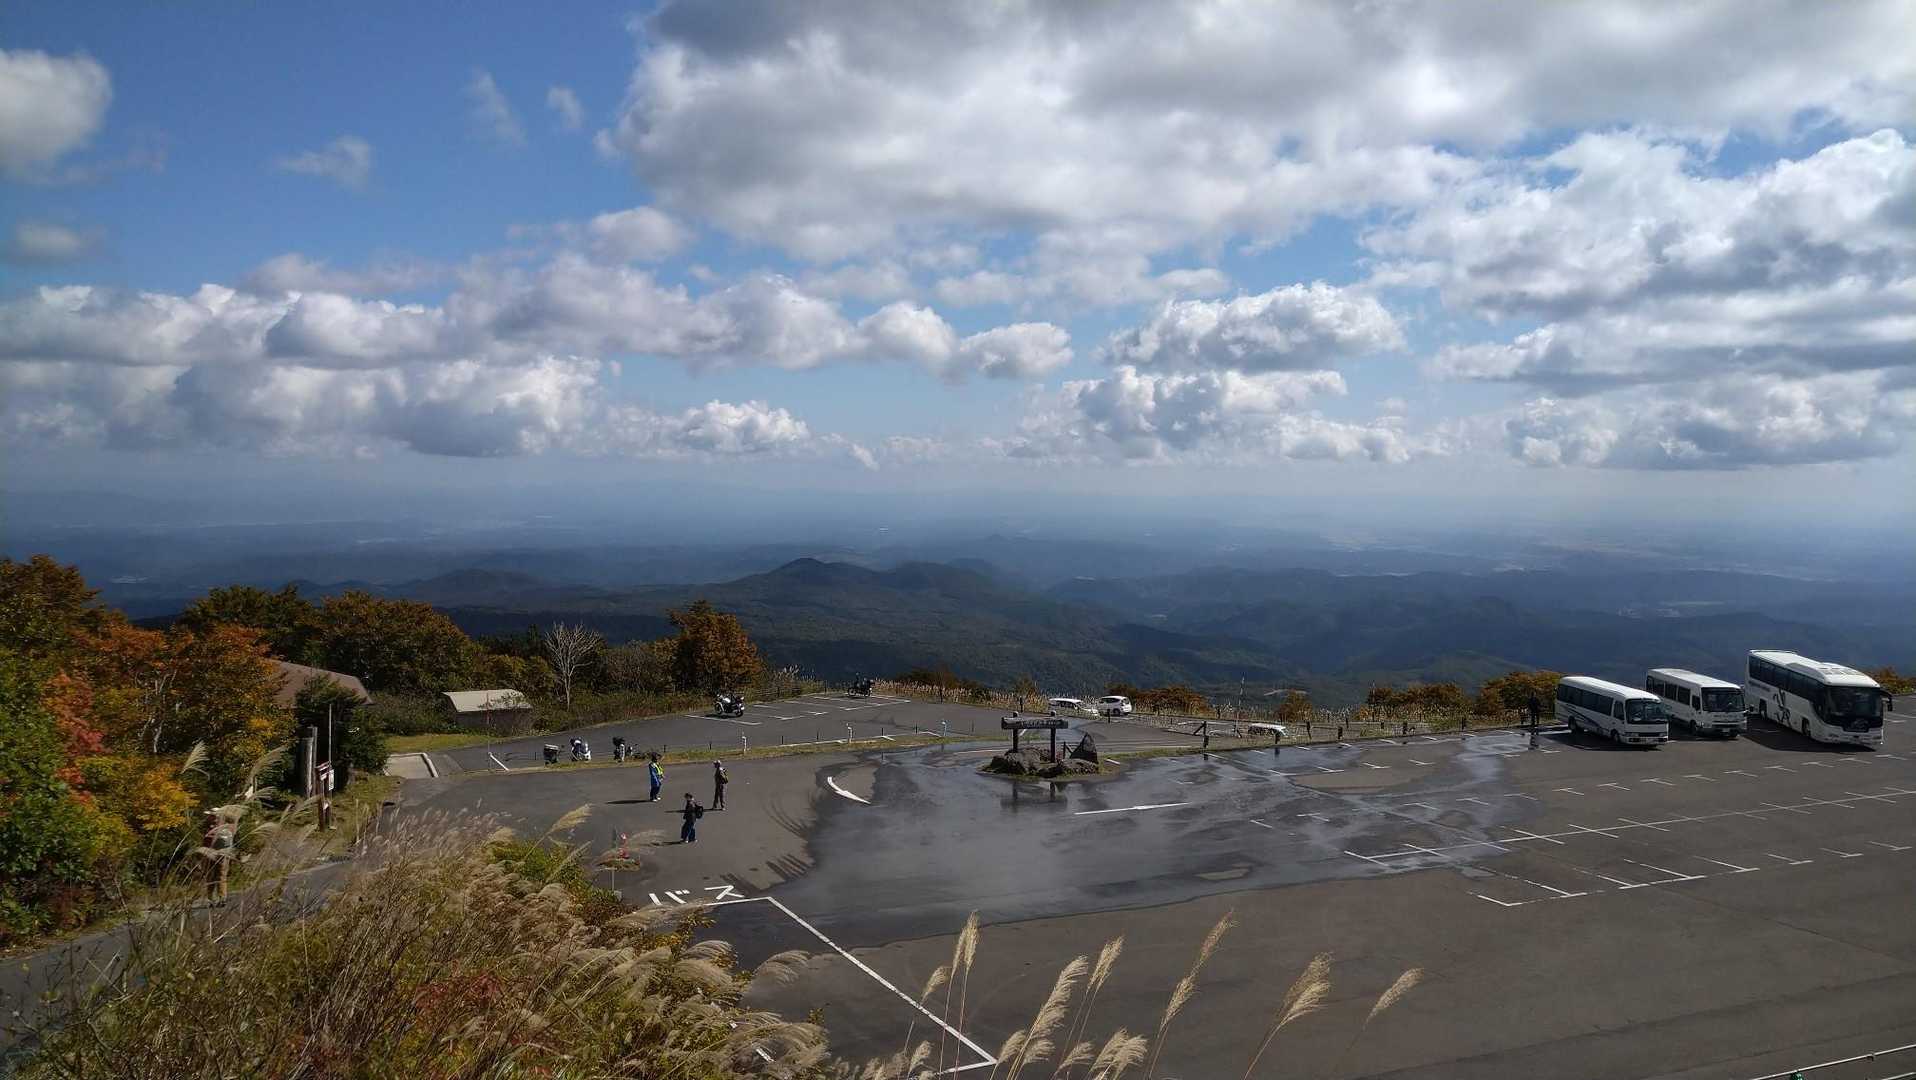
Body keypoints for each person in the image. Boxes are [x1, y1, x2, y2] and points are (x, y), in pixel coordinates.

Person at [202, 809, 234, 905]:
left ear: (215, 817)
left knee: (214, 876)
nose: (209, 817)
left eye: (211, 816)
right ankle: (219, 898)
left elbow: (207, 842)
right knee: (219, 876)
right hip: (222, 855)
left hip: (214, 855)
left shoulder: (215, 829)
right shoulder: (226, 828)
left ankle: (215, 898)